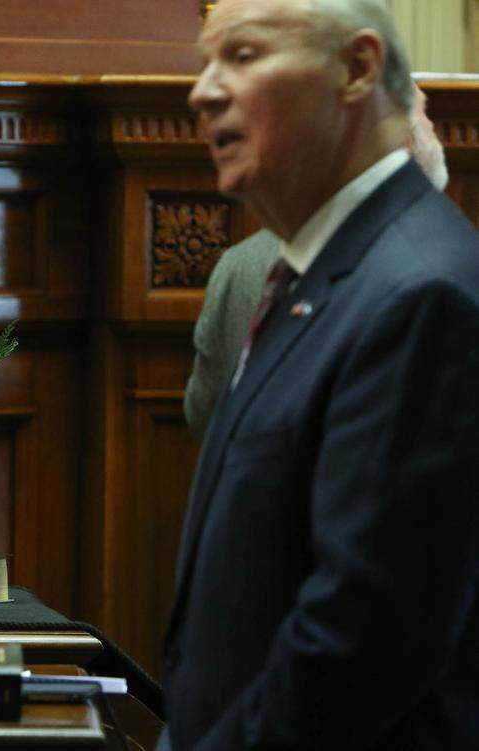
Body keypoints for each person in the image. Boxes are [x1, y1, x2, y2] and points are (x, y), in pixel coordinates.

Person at [162, 0, 479, 749]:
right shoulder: (320, 273)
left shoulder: (418, 290)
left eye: (243, 56)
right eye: (205, 62)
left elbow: (360, 642)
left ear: (357, 68)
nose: (202, 91)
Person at [183, 84, 450, 440]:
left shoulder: (241, 264)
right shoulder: (443, 263)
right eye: (425, 113)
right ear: (405, 143)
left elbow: (204, 415)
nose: (433, 126)